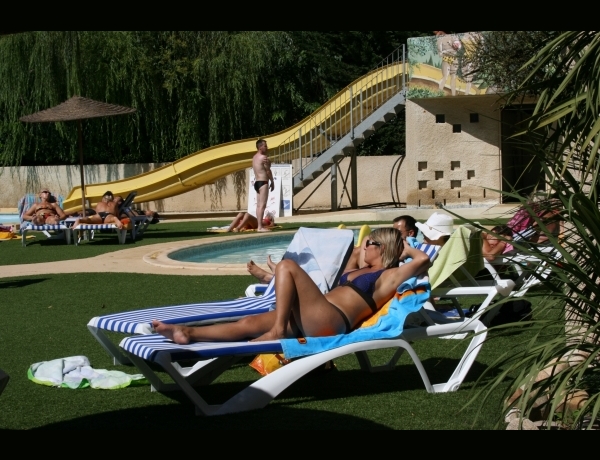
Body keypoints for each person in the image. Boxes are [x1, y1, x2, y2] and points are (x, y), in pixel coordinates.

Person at [153, 228, 430, 344]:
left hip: (331, 321)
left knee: (287, 266)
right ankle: (187, 333)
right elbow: (352, 253)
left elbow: (423, 260)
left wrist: (405, 248)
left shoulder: (388, 275)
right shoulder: (362, 268)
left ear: (383, 248)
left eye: (370, 243)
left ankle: (277, 331)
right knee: (248, 322)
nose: (365, 245)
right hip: (314, 314)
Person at [246, 215, 418, 284]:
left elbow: (421, 261)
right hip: (342, 283)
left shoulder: (410, 246)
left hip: (331, 298)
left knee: (358, 249)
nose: (394, 235)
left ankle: (273, 278)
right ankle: (277, 276)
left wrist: (406, 249)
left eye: (398, 232)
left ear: (410, 233)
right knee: (355, 250)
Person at [252, 139, 275, 232]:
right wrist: (272, 181)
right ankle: (260, 227)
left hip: (257, 182)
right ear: (260, 147)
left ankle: (259, 225)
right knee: (262, 205)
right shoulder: (264, 158)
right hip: (263, 182)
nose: (267, 147)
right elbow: (268, 171)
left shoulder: (254, 157)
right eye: (265, 146)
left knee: (258, 206)